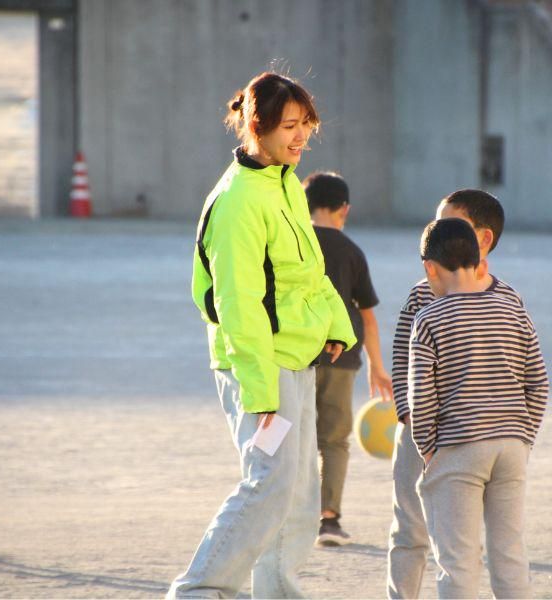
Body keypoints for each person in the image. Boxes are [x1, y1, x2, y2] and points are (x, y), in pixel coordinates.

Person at [168, 72, 357, 599]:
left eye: (306, 125)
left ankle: (277, 593)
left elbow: (309, 270)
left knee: (298, 494)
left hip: (296, 357)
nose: (301, 137)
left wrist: (335, 325)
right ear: (257, 127)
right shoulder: (237, 201)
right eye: (289, 126)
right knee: (268, 483)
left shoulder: (285, 183)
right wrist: (260, 392)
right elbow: (238, 305)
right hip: (259, 365)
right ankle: (198, 591)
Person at [387, 189, 526, 598]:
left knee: (477, 549)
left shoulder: (507, 298)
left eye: (449, 224)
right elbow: (403, 358)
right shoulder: (422, 293)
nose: (437, 230)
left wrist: (523, 433)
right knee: (410, 530)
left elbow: (526, 372)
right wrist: (414, 425)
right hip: (422, 429)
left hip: (481, 439)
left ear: (483, 239)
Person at [408, 218, 549, 598]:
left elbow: (421, 397)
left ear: (430, 268)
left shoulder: (429, 319)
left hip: (459, 448)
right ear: (478, 260)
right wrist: (524, 437)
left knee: (458, 561)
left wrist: (428, 449)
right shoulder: (512, 309)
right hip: (511, 446)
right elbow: (538, 383)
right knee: (510, 555)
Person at [303, 171, 394, 546]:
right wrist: (377, 366)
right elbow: (368, 317)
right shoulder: (352, 252)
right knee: (335, 440)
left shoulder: (293, 242)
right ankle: (328, 520)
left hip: (294, 355)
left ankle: (286, 514)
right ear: (345, 209)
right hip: (341, 359)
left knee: (291, 435)